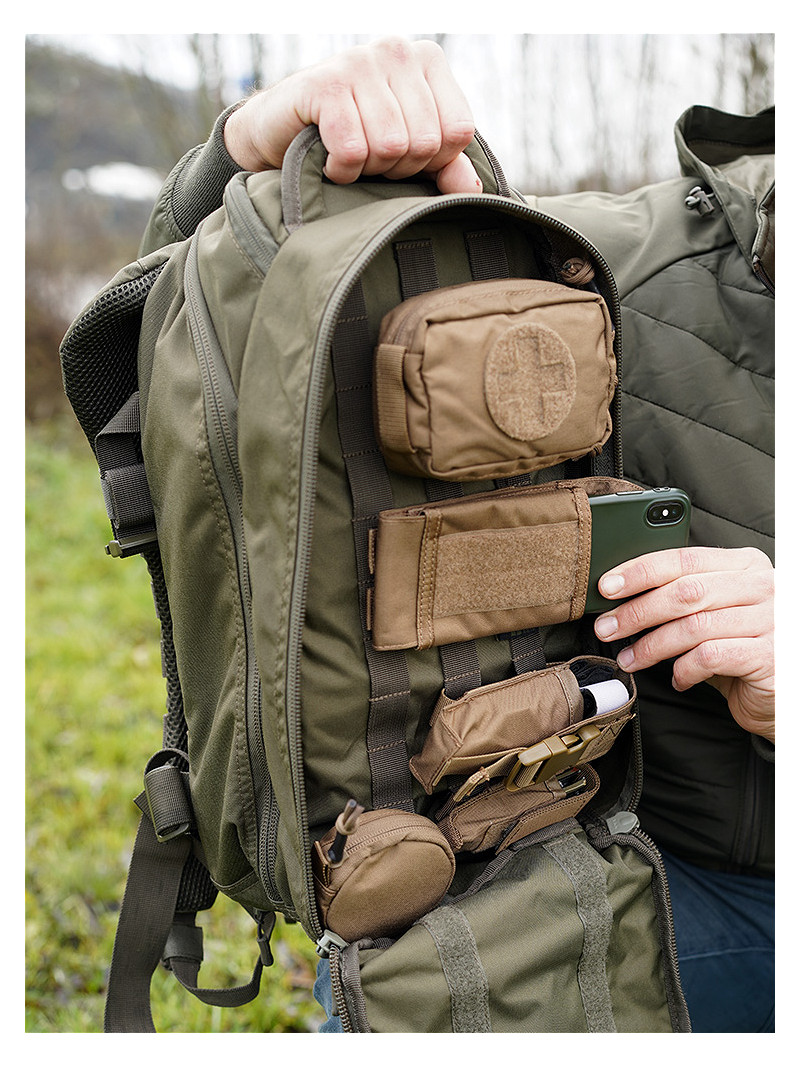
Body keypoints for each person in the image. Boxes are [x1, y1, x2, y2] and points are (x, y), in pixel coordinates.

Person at [139, 37, 775, 1032]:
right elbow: (193, 318)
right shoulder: (600, 265)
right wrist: (243, 146)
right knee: (428, 962)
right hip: (640, 863)